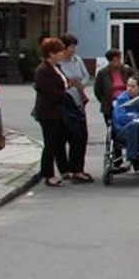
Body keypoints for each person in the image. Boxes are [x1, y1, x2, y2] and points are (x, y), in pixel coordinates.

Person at [32, 38, 71, 187]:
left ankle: (64, 169)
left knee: (60, 141)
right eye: (59, 52)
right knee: (51, 143)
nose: (62, 54)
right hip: (48, 112)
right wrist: (68, 95)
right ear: (51, 54)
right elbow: (51, 93)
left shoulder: (56, 67)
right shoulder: (43, 71)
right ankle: (47, 174)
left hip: (59, 111)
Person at [57, 34, 93, 183]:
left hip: (79, 102)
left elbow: (86, 76)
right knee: (67, 136)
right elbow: (57, 82)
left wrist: (80, 83)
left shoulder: (76, 60)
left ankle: (78, 168)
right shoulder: (59, 63)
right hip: (65, 103)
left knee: (81, 137)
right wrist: (68, 84)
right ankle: (66, 169)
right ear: (64, 48)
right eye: (71, 46)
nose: (74, 49)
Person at [112, 76, 139, 170]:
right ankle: (132, 158)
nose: (129, 89)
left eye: (132, 86)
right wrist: (137, 118)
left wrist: (134, 118)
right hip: (123, 131)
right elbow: (120, 118)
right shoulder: (122, 99)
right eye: (128, 86)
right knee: (134, 125)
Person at [93, 48, 134, 127]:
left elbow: (135, 82)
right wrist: (105, 100)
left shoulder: (127, 70)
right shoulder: (103, 73)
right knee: (112, 126)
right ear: (109, 61)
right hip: (110, 104)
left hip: (126, 101)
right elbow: (97, 90)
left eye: (118, 59)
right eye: (114, 60)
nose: (117, 63)